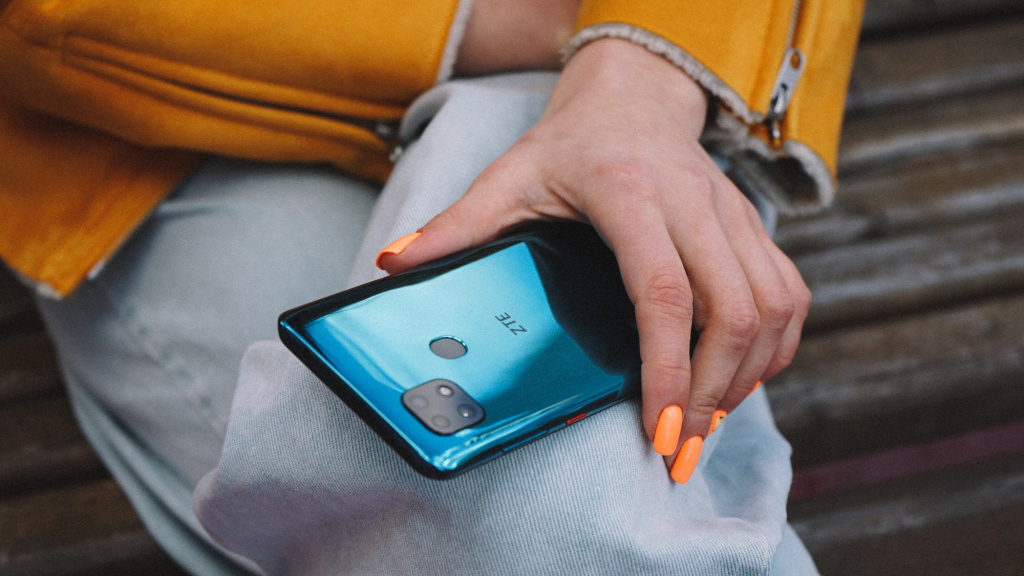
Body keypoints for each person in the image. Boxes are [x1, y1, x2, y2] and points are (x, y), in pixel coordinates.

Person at [0, 0, 864, 573]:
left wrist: (639, 74)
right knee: (520, 527)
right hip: (152, 129)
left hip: (616, 75)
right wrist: (518, 21)